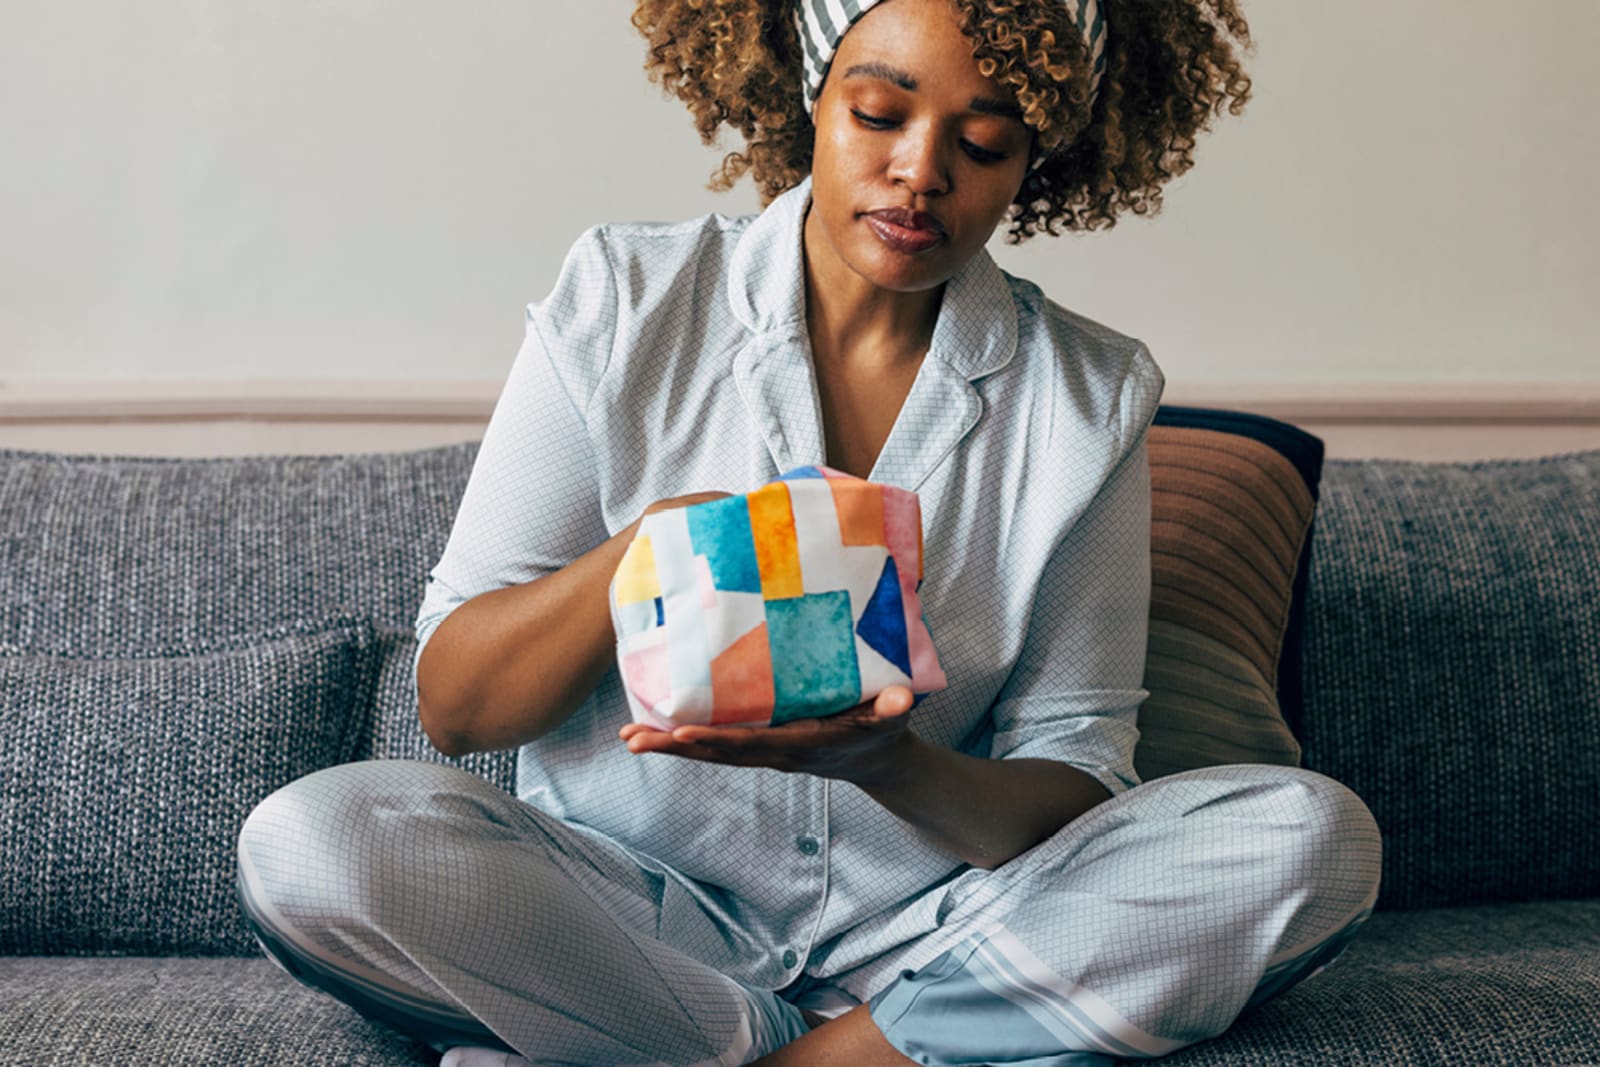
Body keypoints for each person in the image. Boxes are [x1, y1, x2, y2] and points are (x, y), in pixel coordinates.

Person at [237, 0, 1383, 1064]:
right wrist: (640, 555)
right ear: (809, 94)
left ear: (1041, 161)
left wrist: (889, 762)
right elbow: (457, 704)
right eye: (878, 113)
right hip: (630, 913)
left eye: (982, 143)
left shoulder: (1087, 396)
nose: (918, 170)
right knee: (310, 836)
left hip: (935, 930)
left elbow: (1075, 771)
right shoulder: (624, 300)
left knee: (1310, 833)